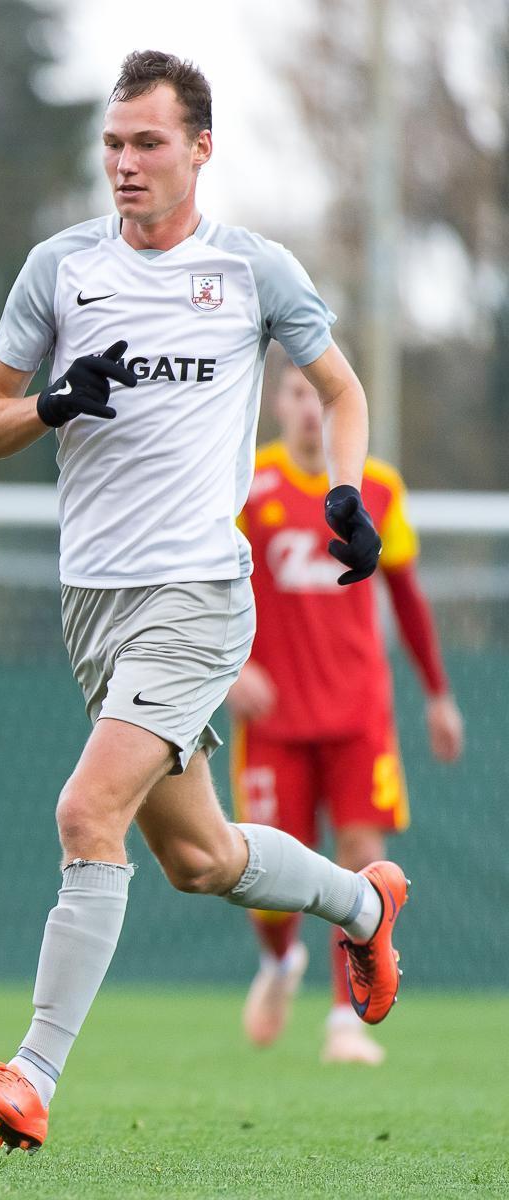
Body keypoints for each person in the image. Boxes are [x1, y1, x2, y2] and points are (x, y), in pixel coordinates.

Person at [0, 51, 408, 1153]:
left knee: (85, 814)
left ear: (200, 149)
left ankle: (32, 1076)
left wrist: (343, 490)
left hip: (198, 594)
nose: (126, 163)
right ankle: (366, 905)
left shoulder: (252, 270)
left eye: (148, 143)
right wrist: (53, 404)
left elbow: (340, 389)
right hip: (93, 609)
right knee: (199, 860)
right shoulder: (60, 268)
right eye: (113, 143)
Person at [231, 361, 462, 1064]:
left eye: (321, 394)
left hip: (360, 713)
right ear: (277, 403)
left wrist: (438, 694)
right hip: (274, 719)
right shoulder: (247, 481)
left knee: (362, 859)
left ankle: (344, 1018)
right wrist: (232, 667)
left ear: (342, 403)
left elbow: (408, 599)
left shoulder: (378, 488)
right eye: (297, 393)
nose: (310, 408)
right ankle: (279, 962)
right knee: (265, 878)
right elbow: (210, 582)